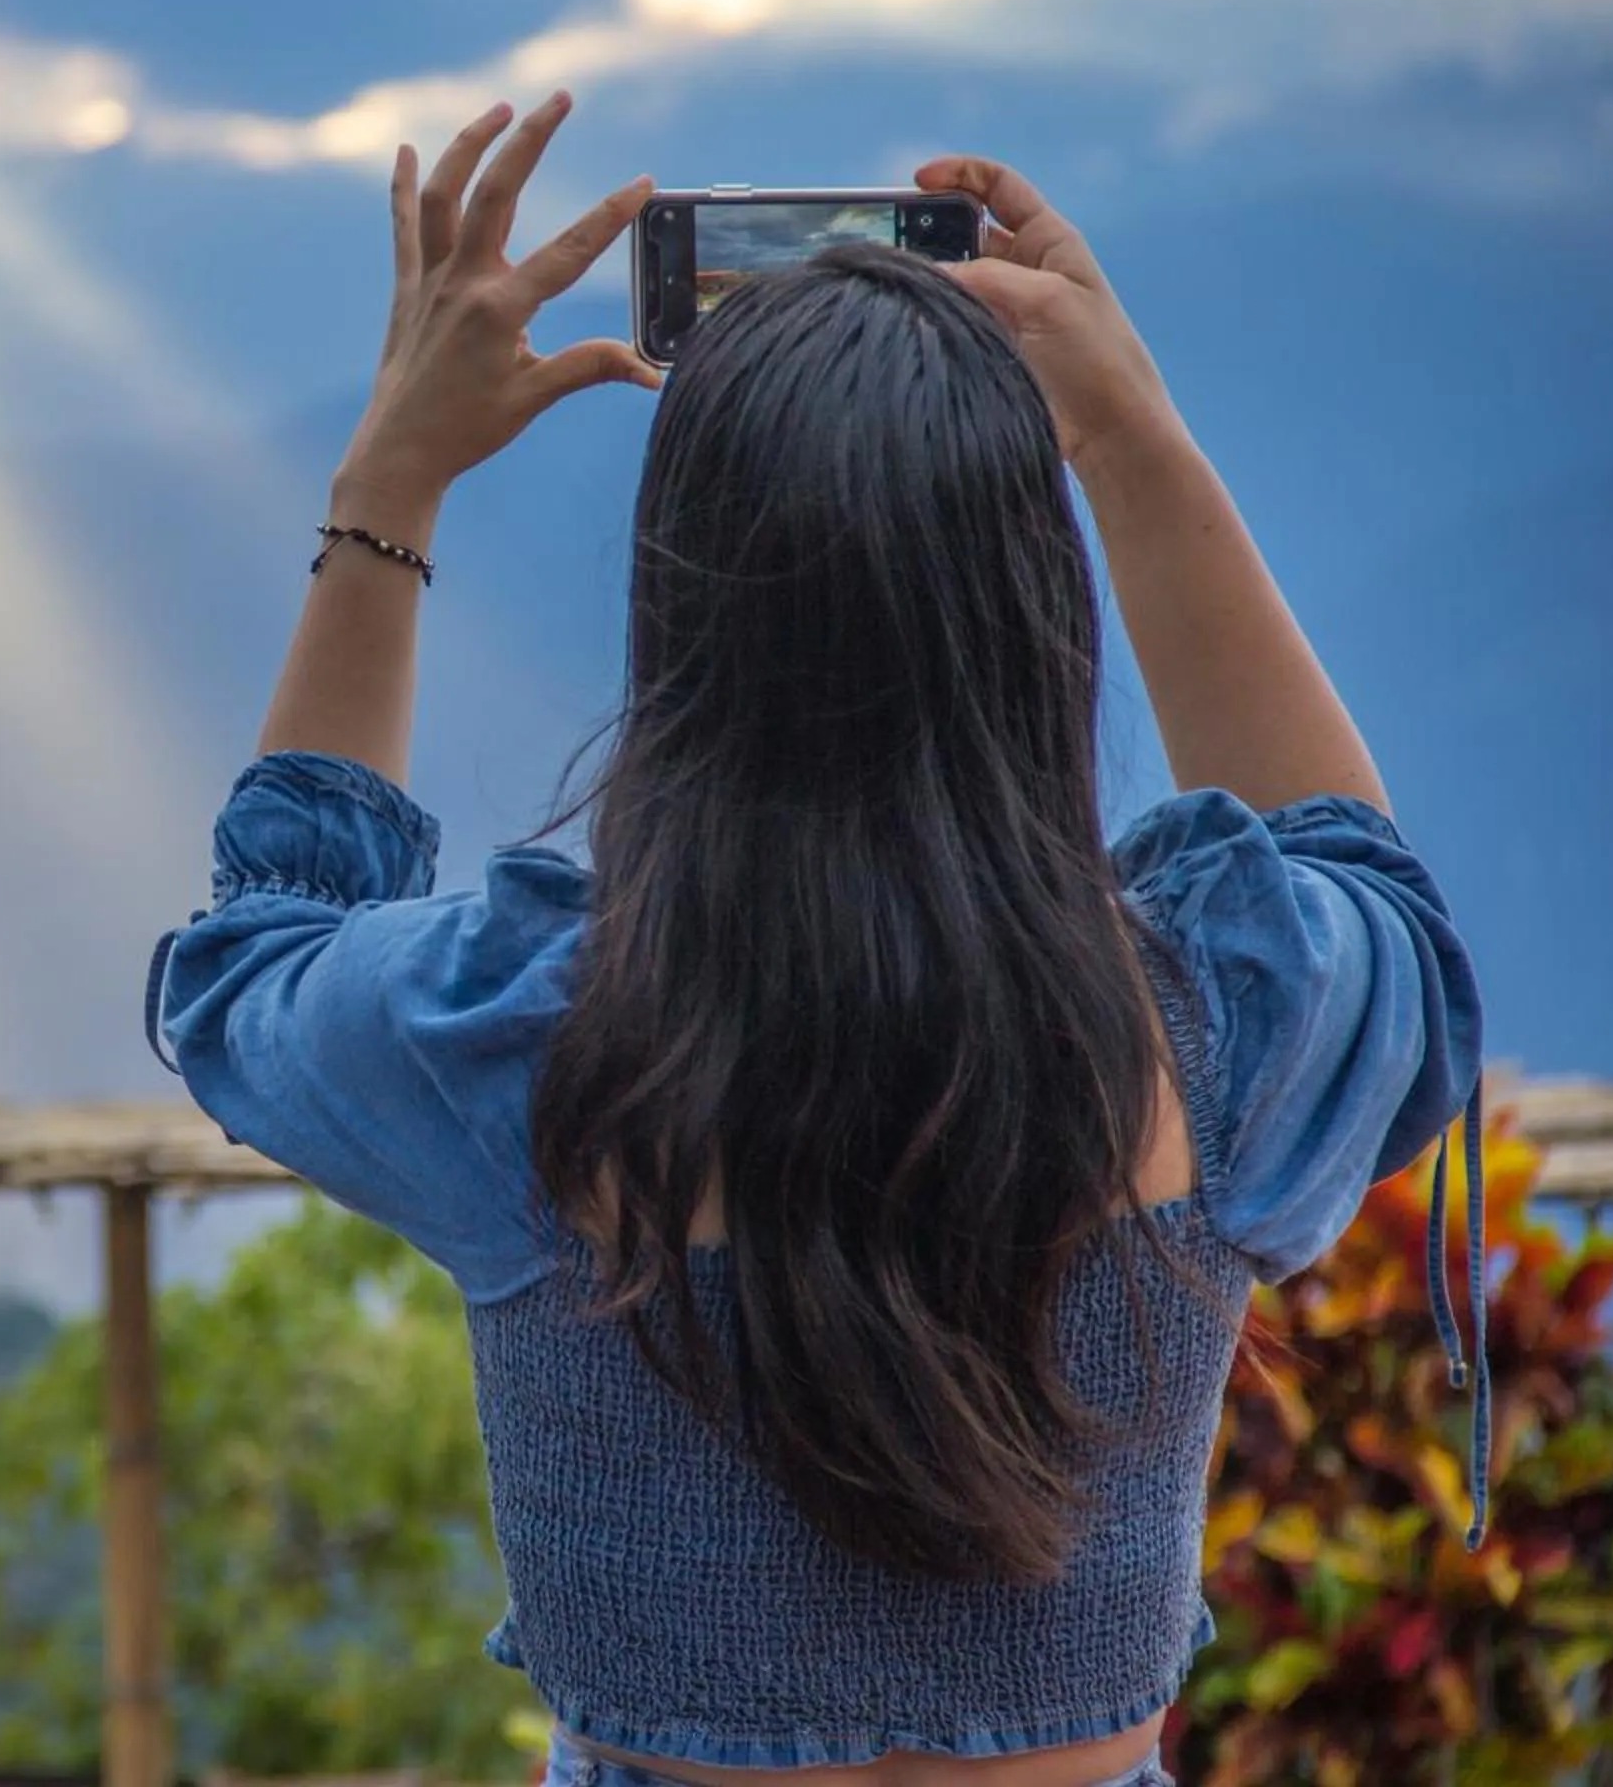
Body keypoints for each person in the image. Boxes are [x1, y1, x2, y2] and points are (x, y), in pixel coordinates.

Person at [144, 91, 1486, 1787]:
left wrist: (387, 483)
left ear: (682, 613)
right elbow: (1372, 895)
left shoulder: (523, 1047)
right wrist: (1132, 440)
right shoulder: (1221, 1029)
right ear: (1034, 615)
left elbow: (256, 963)